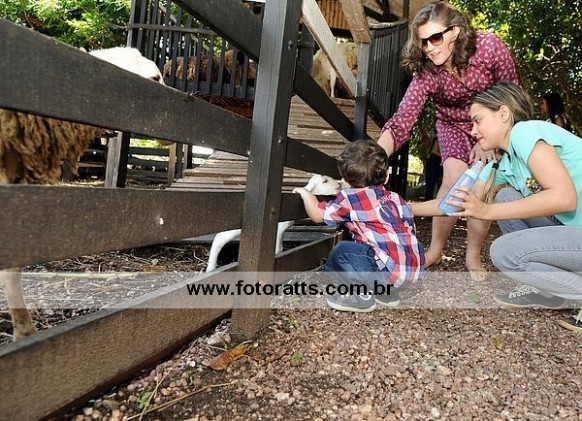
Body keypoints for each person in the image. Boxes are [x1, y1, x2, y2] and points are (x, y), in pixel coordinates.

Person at [412, 82, 582, 333]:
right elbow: (455, 202)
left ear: (503, 114)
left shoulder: (525, 132)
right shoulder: (504, 163)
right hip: (572, 231)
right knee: (506, 197)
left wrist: (486, 211)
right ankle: (549, 291)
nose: (473, 131)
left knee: (505, 253)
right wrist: (406, 208)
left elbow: (565, 198)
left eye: (477, 120)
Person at [377, 1, 520, 278]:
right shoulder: (427, 72)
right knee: (453, 179)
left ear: (455, 31)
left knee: (480, 186)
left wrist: (489, 139)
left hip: (492, 125)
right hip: (452, 125)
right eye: (423, 42)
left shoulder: (489, 47)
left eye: (435, 38)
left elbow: (512, 94)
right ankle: (435, 250)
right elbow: (403, 119)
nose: (429, 48)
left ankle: (473, 255)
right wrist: (374, 162)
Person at [293, 139, 425, 313]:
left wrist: (306, 194)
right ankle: (386, 295)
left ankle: (361, 297)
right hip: (412, 272)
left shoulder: (350, 199)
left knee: (341, 252)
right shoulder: (396, 198)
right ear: (386, 177)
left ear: (346, 183)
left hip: (388, 274)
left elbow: (317, 215)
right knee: (377, 252)